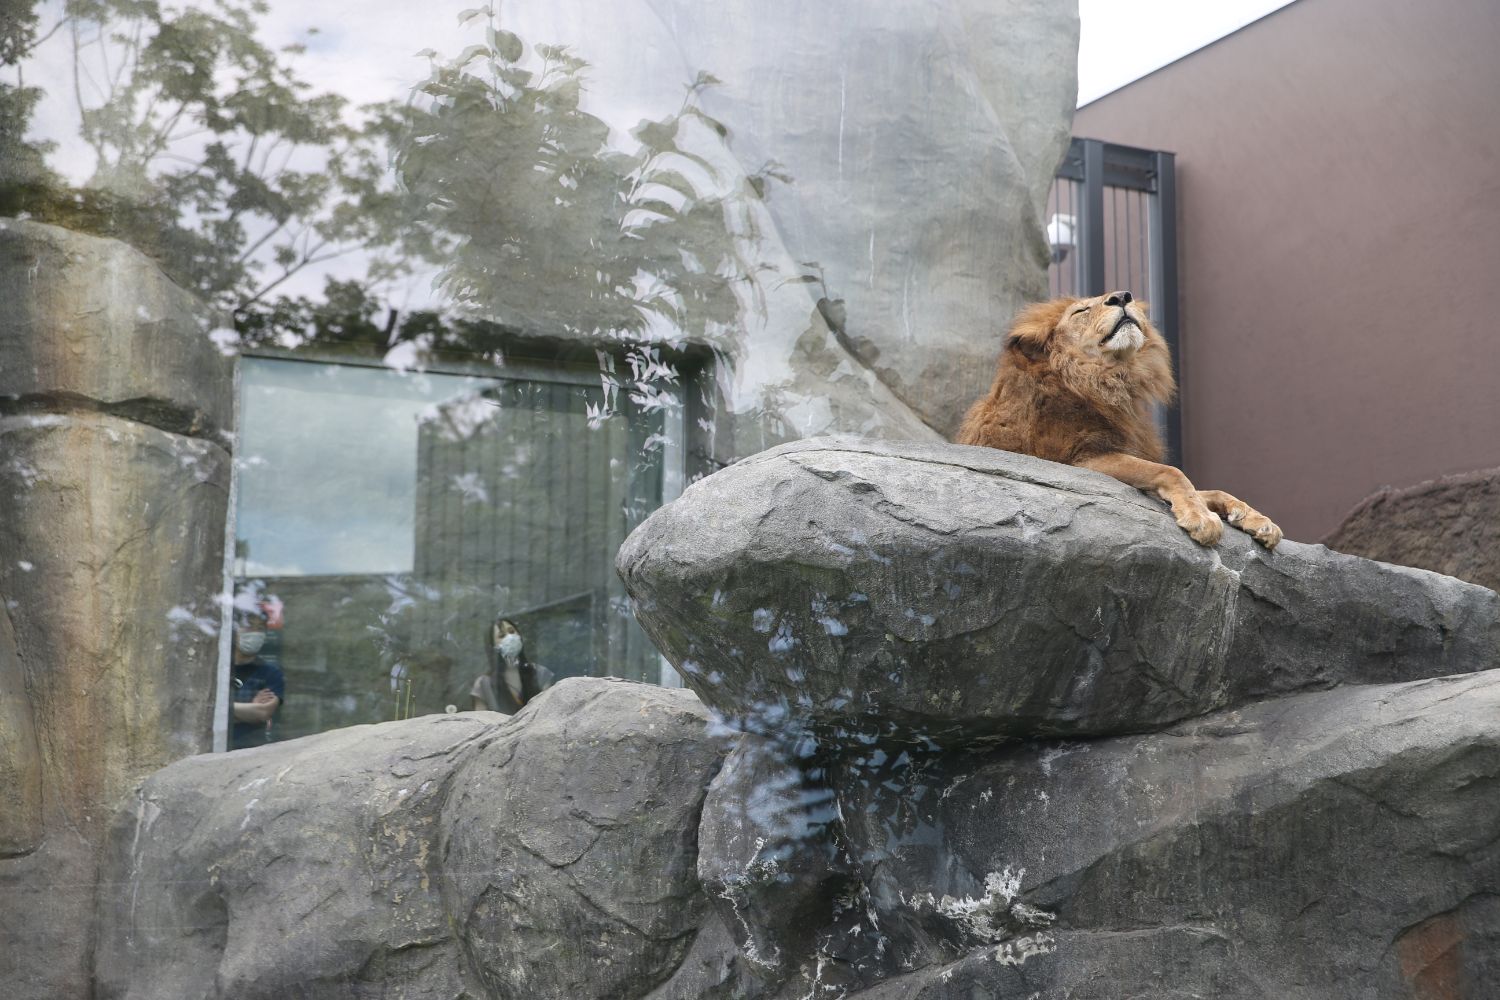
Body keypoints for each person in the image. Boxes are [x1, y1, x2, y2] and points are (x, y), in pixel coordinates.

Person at [471, 617, 553, 715]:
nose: (510, 637)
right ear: (493, 647)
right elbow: (480, 724)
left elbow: (549, 714)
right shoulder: (484, 684)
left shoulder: (540, 673)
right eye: (502, 635)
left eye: (512, 631)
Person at [229, 609, 285, 750]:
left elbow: (262, 713)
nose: (254, 632)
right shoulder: (218, 670)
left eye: (260, 628)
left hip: (251, 751)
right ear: (234, 631)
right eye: (249, 626)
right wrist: (247, 711)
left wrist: (221, 710)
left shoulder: (271, 673)